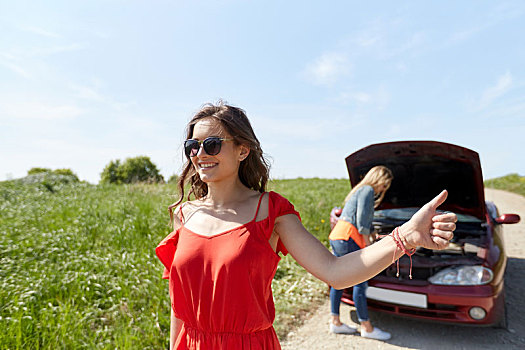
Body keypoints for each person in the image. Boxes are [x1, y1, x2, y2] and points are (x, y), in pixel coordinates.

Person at [155, 101, 457, 350]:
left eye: (212, 144)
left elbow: (336, 273)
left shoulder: (270, 211)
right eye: (192, 146)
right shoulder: (184, 214)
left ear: (242, 150)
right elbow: (177, 306)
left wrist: (404, 236)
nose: (200, 154)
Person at [328, 165, 393, 340]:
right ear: (379, 179)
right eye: (385, 185)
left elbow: (364, 222)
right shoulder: (368, 190)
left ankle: (335, 321)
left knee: (338, 279)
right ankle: (367, 327)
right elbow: (362, 223)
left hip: (339, 236)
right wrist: (369, 248)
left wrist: (372, 234)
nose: (383, 189)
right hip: (349, 238)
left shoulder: (360, 190)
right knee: (360, 281)